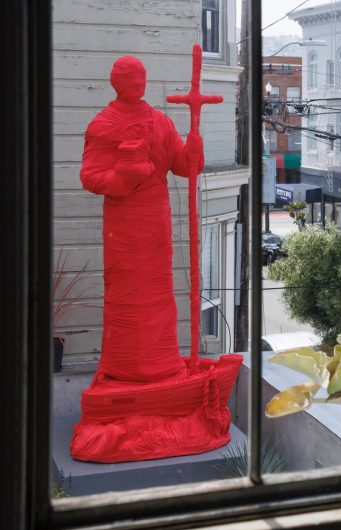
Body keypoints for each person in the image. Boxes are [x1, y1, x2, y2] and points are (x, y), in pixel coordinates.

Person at [80, 55, 203, 383]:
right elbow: (91, 176)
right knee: (125, 297)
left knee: (158, 295)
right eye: (131, 78)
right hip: (123, 226)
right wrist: (123, 176)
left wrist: (193, 149)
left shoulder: (161, 122)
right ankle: (123, 368)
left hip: (155, 223)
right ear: (116, 82)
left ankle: (162, 363)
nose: (138, 83)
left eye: (141, 77)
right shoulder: (103, 125)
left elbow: (182, 165)